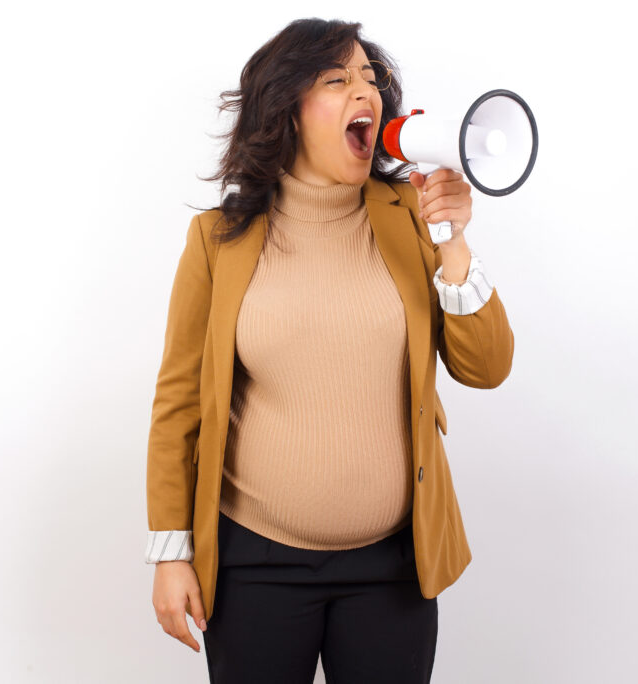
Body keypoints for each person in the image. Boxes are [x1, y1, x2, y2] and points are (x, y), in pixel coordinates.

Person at [145, 18, 515, 684]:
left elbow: (486, 368)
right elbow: (178, 405)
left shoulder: (410, 217)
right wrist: (171, 552)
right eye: (337, 79)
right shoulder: (217, 240)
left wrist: (453, 241)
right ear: (287, 111)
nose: (364, 90)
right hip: (254, 567)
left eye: (370, 78)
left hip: (393, 570)